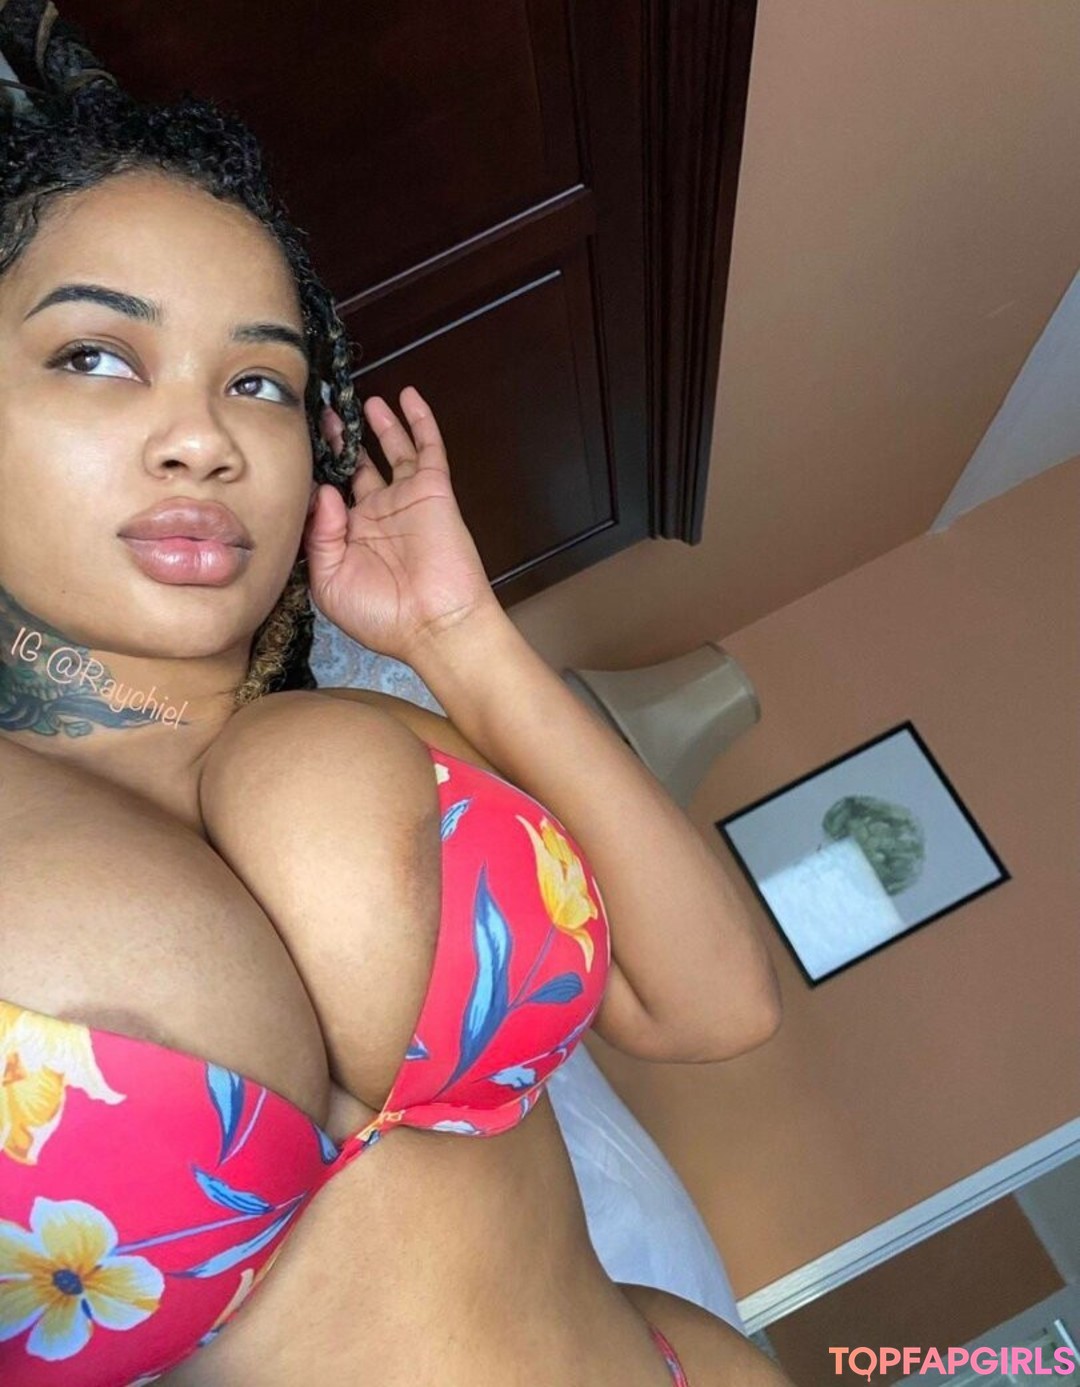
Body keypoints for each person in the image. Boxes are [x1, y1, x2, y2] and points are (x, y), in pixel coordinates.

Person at [0, 5, 794, 1384]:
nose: (203, 437)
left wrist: (459, 635)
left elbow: (716, 1009)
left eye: (260, 380)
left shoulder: (393, 730)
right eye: (97, 356)